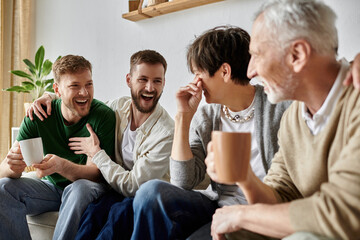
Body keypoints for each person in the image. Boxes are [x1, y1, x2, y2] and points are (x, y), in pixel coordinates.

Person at [208, 0, 360, 239]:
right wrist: (244, 176)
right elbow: (279, 196)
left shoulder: (356, 104)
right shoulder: (292, 119)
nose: (250, 72)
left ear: (297, 55)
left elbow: (342, 213)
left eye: (256, 55)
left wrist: (240, 215)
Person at [130, 26, 291, 240]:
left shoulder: (280, 108)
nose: (196, 82)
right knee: (150, 193)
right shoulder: (207, 115)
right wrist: (183, 117)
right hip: (217, 204)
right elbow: (183, 181)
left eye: (199, 73)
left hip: (261, 211)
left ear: (225, 72)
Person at [28, 50, 174, 240]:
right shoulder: (118, 107)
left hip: (143, 196)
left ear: (163, 83)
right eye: (143, 79)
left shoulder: (166, 131)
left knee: (116, 218)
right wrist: (51, 97)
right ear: (129, 80)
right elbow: (82, 102)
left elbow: (134, 187)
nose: (150, 87)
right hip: (114, 190)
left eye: (157, 81)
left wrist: (97, 154)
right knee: (91, 217)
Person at [0, 55, 116, 240]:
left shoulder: (102, 116)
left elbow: (96, 174)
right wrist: (11, 167)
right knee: (3, 188)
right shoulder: (38, 115)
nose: (84, 93)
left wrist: (61, 166)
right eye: (75, 86)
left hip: (88, 189)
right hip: (52, 189)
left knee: (79, 189)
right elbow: (4, 169)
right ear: (57, 90)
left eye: (89, 84)